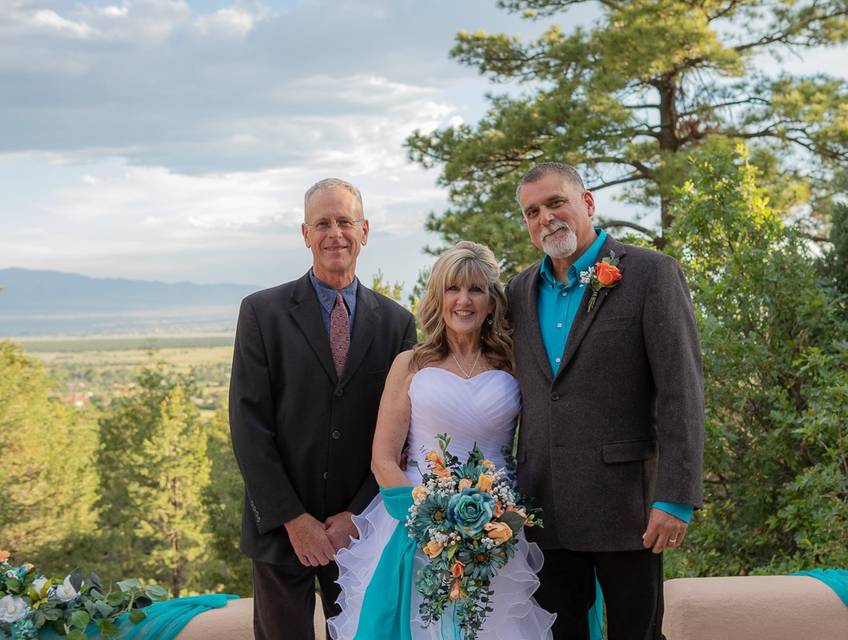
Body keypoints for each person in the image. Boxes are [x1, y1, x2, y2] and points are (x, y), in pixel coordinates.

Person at [507, 163, 705, 640]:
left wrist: (675, 498)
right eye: (532, 212)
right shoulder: (516, 291)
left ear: (587, 203)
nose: (546, 218)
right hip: (543, 510)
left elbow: (681, 392)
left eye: (556, 203)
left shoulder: (650, 274)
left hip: (627, 508)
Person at [328, 241, 555, 639]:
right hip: (417, 527)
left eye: (475, 290)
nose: (463, 301)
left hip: (497, 530)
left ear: (491, 301)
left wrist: (487, 524)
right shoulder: (411, 364)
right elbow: (383, 459)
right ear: (439, 296)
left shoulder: (514, 363)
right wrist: (434, 521)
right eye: (453, 289)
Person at [229, 178, 417, 640]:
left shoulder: (397, 324)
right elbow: (249, 426)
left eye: (345, 222)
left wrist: (358, 514)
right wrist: (293, 519)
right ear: (305, 233)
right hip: (281, 531)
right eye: (323, 223)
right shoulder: (261, 313)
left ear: (365, 230)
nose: (335, 233)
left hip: (362, 532)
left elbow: (403, 434)